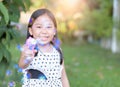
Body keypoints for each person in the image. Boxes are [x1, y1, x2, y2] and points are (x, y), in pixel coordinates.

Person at [18, 8, 70, 87]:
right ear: (31, 31)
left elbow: (63, 76)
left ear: (54, 31)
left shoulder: (58, 51)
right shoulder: (29, 49)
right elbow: (22, 65)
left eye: (48, 27)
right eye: (39, 27)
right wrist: (26, 58)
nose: (44, 31)